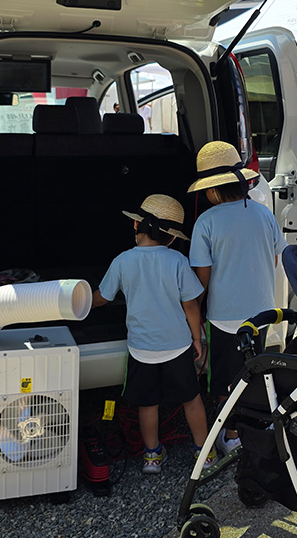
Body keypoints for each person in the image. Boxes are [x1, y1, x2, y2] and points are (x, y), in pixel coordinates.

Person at [91, 194, 214, 474]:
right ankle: (204, 454)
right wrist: (197, 337)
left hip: (141, 349)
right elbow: (191, 305)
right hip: (178, 346)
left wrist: (79, 301)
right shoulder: (178, 261)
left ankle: (151, 456)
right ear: (171, 238)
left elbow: (102, 297)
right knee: (191, 399)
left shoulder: (123, 261)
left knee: (148, 404)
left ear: (136, 227)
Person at [188, 141, 286, 455]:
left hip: (224, 317)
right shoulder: (262, 213)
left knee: (225, 381)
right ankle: (255, 425)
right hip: (261, 314)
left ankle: (230, 434)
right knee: (254, 370)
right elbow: (272, 260)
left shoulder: (206, 222)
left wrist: (196, 313)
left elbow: (201, 278)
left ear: (212, 191)